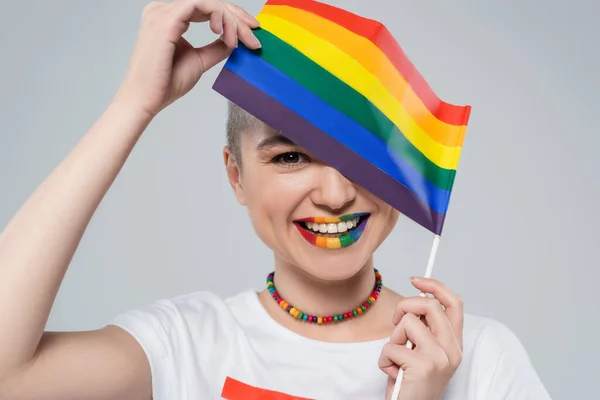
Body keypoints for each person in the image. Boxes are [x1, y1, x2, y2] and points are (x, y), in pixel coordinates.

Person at [0, 0, 551, 399]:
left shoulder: (477, 359)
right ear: (235, 177)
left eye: (365, 158)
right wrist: (132, 106)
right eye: (290, 157)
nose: (336, 194)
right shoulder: (186, 346)